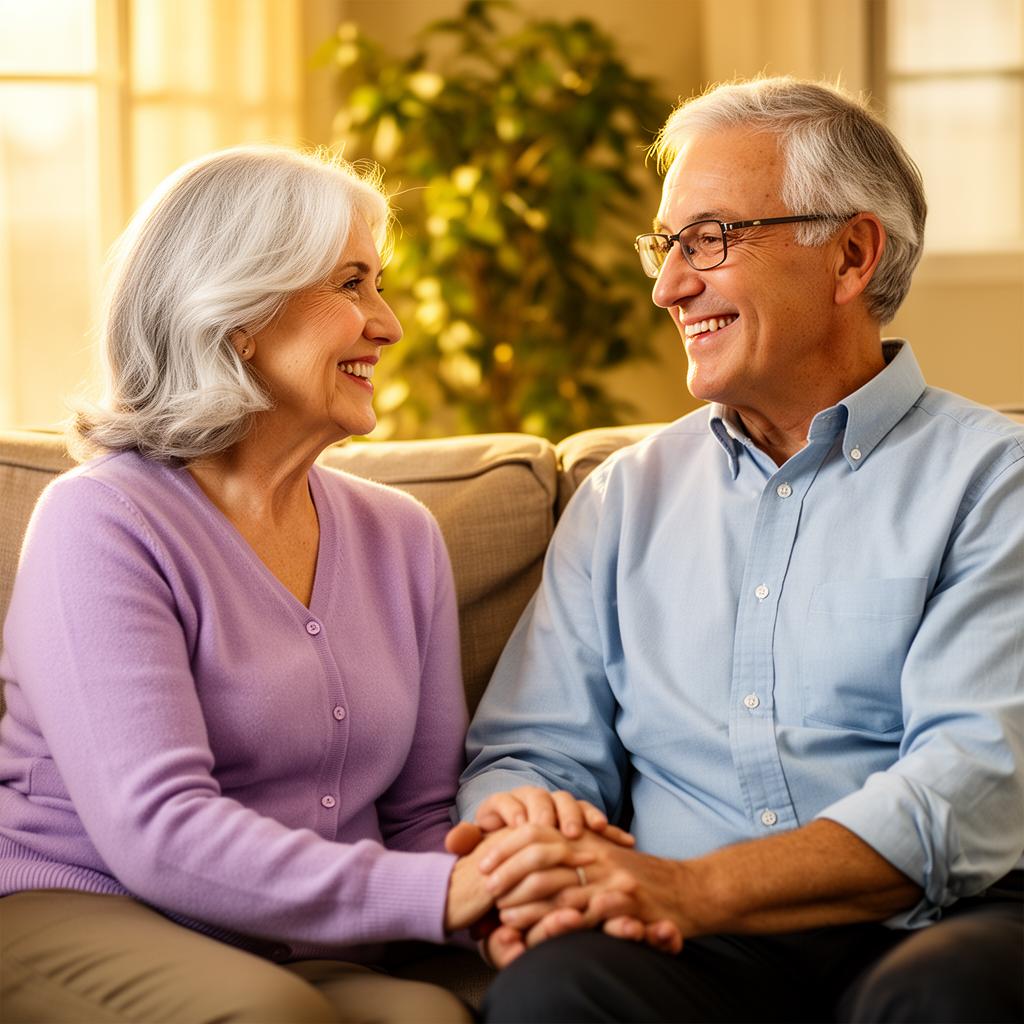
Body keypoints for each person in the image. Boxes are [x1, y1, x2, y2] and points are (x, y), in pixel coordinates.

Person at [457, 77, 1024, 1022]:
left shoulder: (995, 480)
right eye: (665, 245)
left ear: (850, 254)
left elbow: (970, 781)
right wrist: (528, 844)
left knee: (947, 995)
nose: (667, 284)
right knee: (553, 994)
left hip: (941, 921)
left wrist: (695, 888)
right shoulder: (624, 498)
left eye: (709, 239)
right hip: (686, 941)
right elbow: (531, 749)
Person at [0, 145, 593, 1024]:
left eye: (378, 285)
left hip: (303, 944)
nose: (388, 325)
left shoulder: (401, 538)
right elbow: (156, 828)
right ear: (238, 312)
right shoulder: (102, 521)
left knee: (430, 1018)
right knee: (273, 1014)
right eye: (351, 284)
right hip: (88, 904)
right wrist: (442, 894)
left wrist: (508, 902)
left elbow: (423, 814)